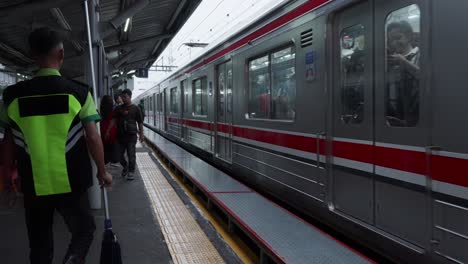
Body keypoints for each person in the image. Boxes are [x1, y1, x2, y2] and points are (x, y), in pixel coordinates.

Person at [0, 27, 112, 264]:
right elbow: (93, 137)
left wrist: (7, 181)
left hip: (32, 183)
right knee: (83, 230)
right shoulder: (80, 94)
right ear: (61, 54)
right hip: (71, 182)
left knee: (39, 242)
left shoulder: (12, 96)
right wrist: (103, 171)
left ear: (32, 55)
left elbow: (8, 141)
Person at [386, 20, 420, 127]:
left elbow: (428, 78)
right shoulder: (390, 61)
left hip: (416, 116)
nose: (394, 43)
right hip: (394, 117)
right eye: (391, 40)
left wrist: (404, 62)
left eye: (398, 38)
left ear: (409, 37)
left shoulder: (421, 55)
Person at [114, 89, 144, 180]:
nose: (123, 99)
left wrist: (141, 134)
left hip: (131, 136)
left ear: (130, 97)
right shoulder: (119, 108)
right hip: (120, 136)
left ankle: (131, 172)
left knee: (131, 155)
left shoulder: (136, 108)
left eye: (125, 97)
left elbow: (140, 122)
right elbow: (114, 120)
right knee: (119, 155)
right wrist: (108, 130)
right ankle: (125, 166)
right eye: (122, 97)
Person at [100, 95, 119, 166]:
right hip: (111, 129)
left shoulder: (102, 109)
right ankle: (113, 160)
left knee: (105, 146)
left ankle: (106, 160)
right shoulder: (113, 110)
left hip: (103, 128)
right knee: (112, 146)